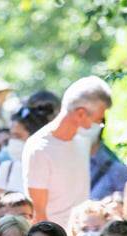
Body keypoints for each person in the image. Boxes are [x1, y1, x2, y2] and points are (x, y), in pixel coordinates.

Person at [23, 76, 111, 228]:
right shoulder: (39, 149)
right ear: (81, 114)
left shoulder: (84, 138)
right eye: (99, 118)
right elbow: (38, 214)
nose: (100, 124)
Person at [0, 104, 55, 198]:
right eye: (12, 135)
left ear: (35, 136)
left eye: (18, 136)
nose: (12, 141)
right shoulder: (7, 168)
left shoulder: (52, 168)